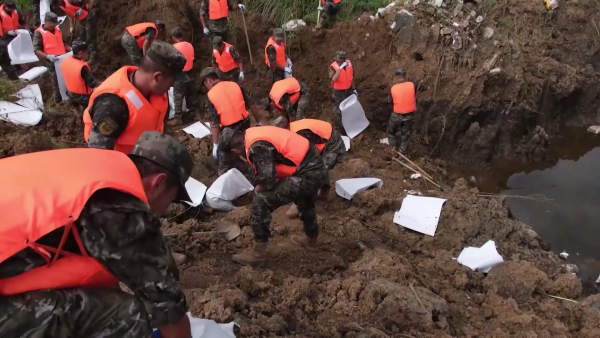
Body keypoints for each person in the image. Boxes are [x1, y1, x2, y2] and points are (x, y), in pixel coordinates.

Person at [0, 131, 194, 338]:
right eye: (171, 200)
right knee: (125, 316)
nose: (165, 210)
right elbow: (168, 305)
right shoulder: (119, 207)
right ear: (158, 183)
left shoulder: (95, 168)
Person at [225, 126, 327, 265]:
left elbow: (268, 180)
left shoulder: (256, 147)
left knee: (262, 201)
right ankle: (311, 240)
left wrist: (258, 189)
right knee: (304, 199)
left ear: (234, 150)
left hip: (309, 174)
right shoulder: (253, 134)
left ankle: (258, 254)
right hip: (313, 168)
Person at [83, 41, 188, 154]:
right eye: (172, 81)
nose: (172, 85)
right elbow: (99, 156)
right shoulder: (112, 105)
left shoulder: (154, 91)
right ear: (157, 77)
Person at [272, 117, 346, 218]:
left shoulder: (299, 134)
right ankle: (324, 193)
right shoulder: (292, 131)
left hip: (333, 146)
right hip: (324, 143)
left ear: (284, 129)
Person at [200, 67, 258, 177]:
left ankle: (225, 176)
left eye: (205, 84)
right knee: (247, 147)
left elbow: (214, 123)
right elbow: (252, 106)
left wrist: (216, 144)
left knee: (223, 158)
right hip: (245, 125)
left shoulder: (211, 95)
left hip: (229, 131)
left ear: (209, 81)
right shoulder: (235, 85)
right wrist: (258, 122)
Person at [34, 12, 72, 103]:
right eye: (51, 24)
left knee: (67, 78)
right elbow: (36, 50)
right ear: (46, 21)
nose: (53, 26)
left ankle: (69, 95)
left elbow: (63, 43)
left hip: (63, 58)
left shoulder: (57, 30)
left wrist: (71, 49)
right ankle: (58, 100)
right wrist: (48, 56)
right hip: (52, 61)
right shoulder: (38, 33)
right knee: (56, 81)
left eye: (54, 24)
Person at [388, 68, 429, 153]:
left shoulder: (393, 88)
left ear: (397, 77)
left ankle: (393, 149)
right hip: (409, 116)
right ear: (405, 76)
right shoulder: (412, 85)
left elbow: (390, 102)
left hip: (396, 115)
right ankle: (402, 152)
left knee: (391, 131)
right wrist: (417, 94)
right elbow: (424, 87)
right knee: (405, 135)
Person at [169, 27, 200, 126]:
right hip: (190, 72)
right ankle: (196, 113)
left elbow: (171, 63)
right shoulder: (189, 45)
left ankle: (178, 118)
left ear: (173, 37)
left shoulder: (173, 48)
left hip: (180, 74)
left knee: (178, 95)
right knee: (192, 93)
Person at [61, 40, 99, 107]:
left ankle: (79, 115)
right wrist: (104, 83)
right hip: (83, 97)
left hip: (70, 94)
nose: (87, 54)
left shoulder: (65, 61)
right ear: (80, 52)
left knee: (79, 113)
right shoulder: (82, 67)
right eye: (86, 52)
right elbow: (93, 84)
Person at [328, 51, 356, 131]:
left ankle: (350, 125)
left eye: (339, 60)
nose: (337, 62)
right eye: (336, 60)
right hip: (339, 92)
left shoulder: (349, 65)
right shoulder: (333, 67)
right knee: (339, 111)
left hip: (348, 90)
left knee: (349, 108)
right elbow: (333, 78)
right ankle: (340, 128)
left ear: (344, 60)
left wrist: (354, 89)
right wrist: (339, 69)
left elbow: (352, 77)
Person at [0, 0, 24, 80]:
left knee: (16, 51)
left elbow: (22, 21)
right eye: (9, 8)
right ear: (5, 6)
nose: (11, 10)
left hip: (15, 34)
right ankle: (12, 72)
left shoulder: (15, 11)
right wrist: (8, 32)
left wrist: (25, 30)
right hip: (4, 37)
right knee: (6, 53)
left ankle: (18, 67)